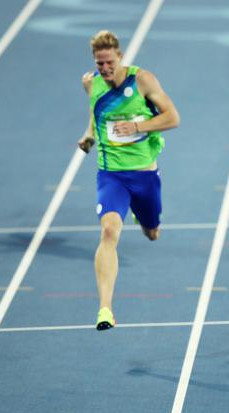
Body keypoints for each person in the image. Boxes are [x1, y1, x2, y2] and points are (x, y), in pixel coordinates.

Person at [77, 30, 180, 330]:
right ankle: (105, 309)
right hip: (110, 175)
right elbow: (96, 114)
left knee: (152, 233)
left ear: (120, 56)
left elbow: (173, 118)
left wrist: (138, 125)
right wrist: (88, 136)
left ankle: (143, 217)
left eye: (109, 62)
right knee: (109, 232)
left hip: (144, 174)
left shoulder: (142, 80)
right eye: (100, 64)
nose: (105, 69)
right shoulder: (90, 82)